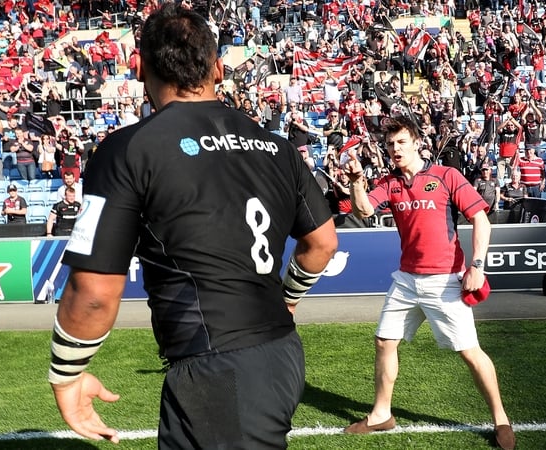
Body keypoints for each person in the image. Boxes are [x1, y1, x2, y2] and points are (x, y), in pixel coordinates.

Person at [47, 6, 337, 449]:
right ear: (218, 69)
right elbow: (322, 243)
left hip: (215, 364)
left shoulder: (129, 148)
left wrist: (67, 374)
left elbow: (93, 292)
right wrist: (289, 298)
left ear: (139, 68)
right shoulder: (277, 147)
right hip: (281, 351)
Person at [342, 116, 514, 450]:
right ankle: (381, 414)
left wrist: (477, 266)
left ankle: (501, 419)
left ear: (417, 143)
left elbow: (481, 220)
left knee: (469, 352)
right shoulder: (389, 183)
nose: (395, 149)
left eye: (401, 142)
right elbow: (363, 211)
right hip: (406, 279)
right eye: (390, 144)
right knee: (384, 342)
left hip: (446, 281)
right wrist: (357, 181)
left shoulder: (446, 176)